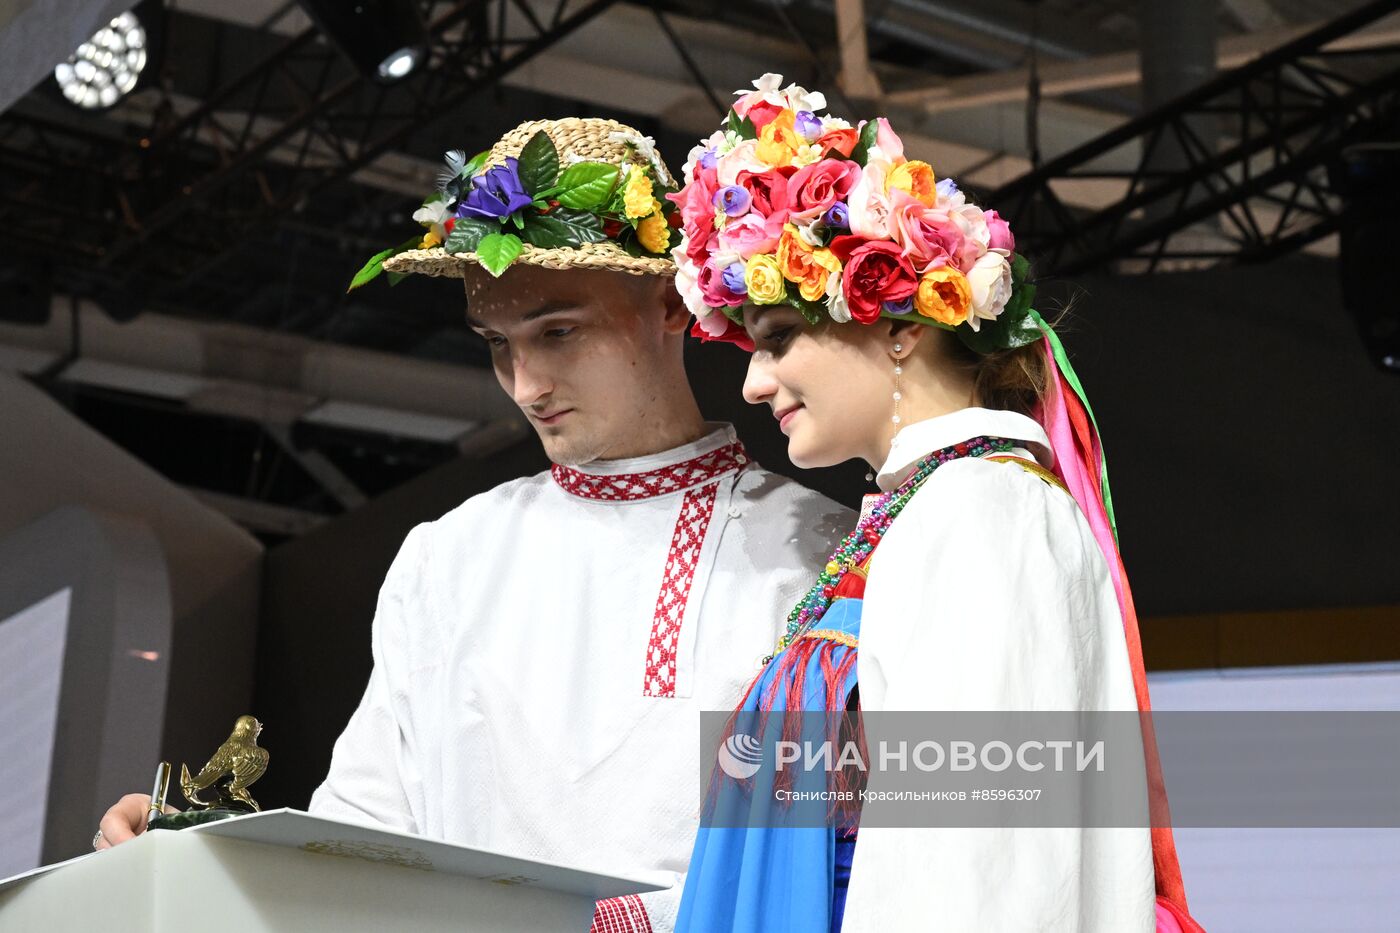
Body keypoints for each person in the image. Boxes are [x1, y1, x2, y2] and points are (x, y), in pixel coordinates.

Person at [94, 116, 851, 932]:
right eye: (496, 343)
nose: (525, 385)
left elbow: (874, 854)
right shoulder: (448, 554)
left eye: (558, 332)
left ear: (670, 303)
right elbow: (363, 838)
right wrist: (199, 848)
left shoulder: (822, 552)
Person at [666, 75, 1207, 932]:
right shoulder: (928, 509)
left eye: (778, 339)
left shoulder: (984, 511)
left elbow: (979, 868)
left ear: (900, 326)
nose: (753, 383)